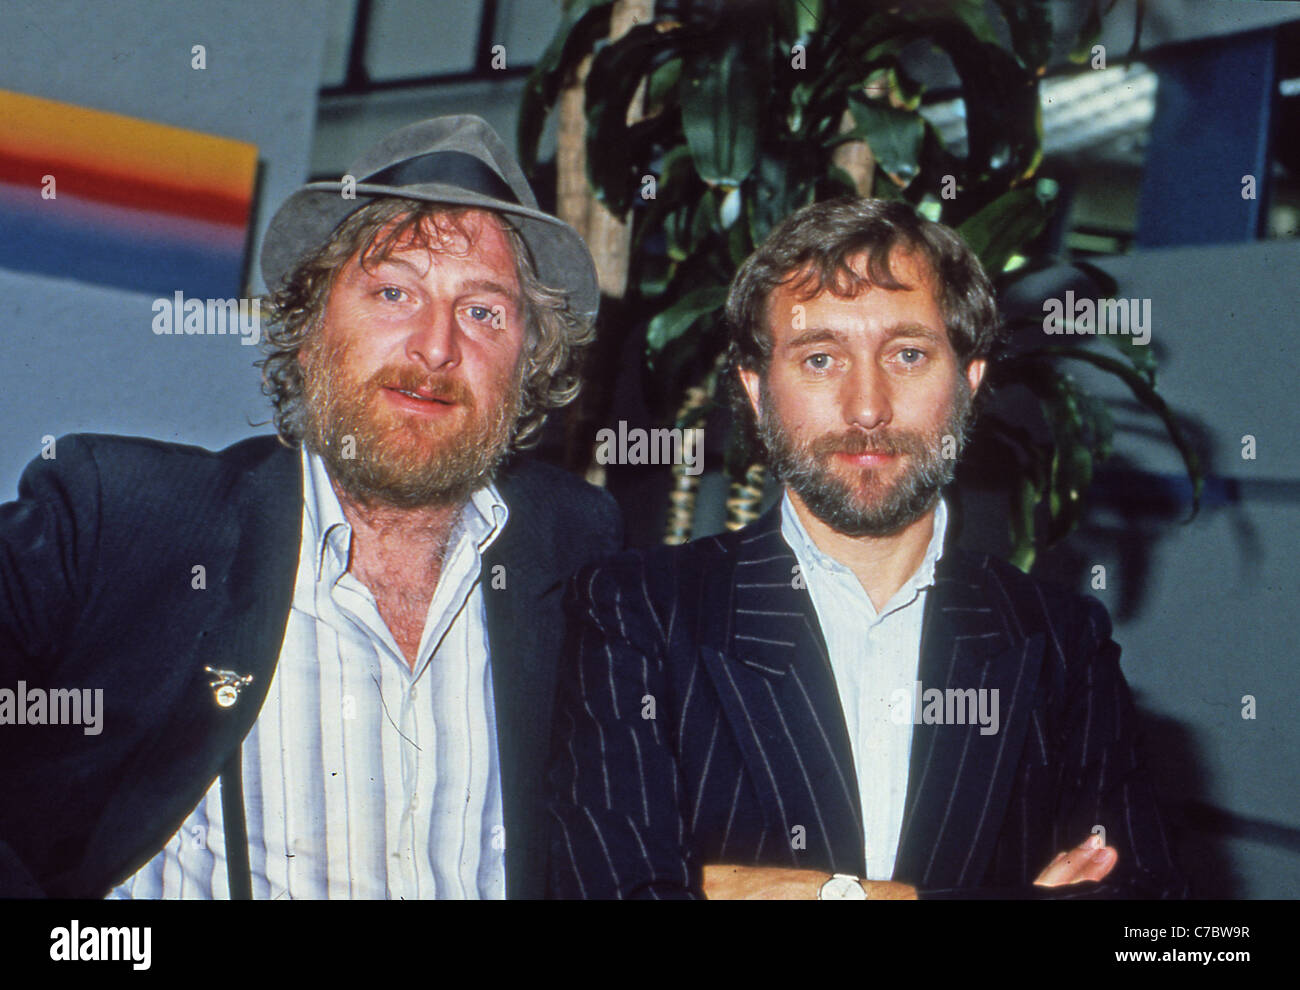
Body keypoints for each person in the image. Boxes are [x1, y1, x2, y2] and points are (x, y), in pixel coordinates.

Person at [0, 115, 620, 899]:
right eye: (394, 292)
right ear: (306, 329)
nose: (435, 348)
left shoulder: (576, 545)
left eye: (483, 311)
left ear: (529, 364)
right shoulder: (123, 517)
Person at [547, 197, 1185, 900]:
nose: (867, 406)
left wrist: (773, 890)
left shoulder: (1061, 643)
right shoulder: (638, 613)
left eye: (908, 354)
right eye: (820, 358)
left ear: (969, 385)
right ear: (757, 394)